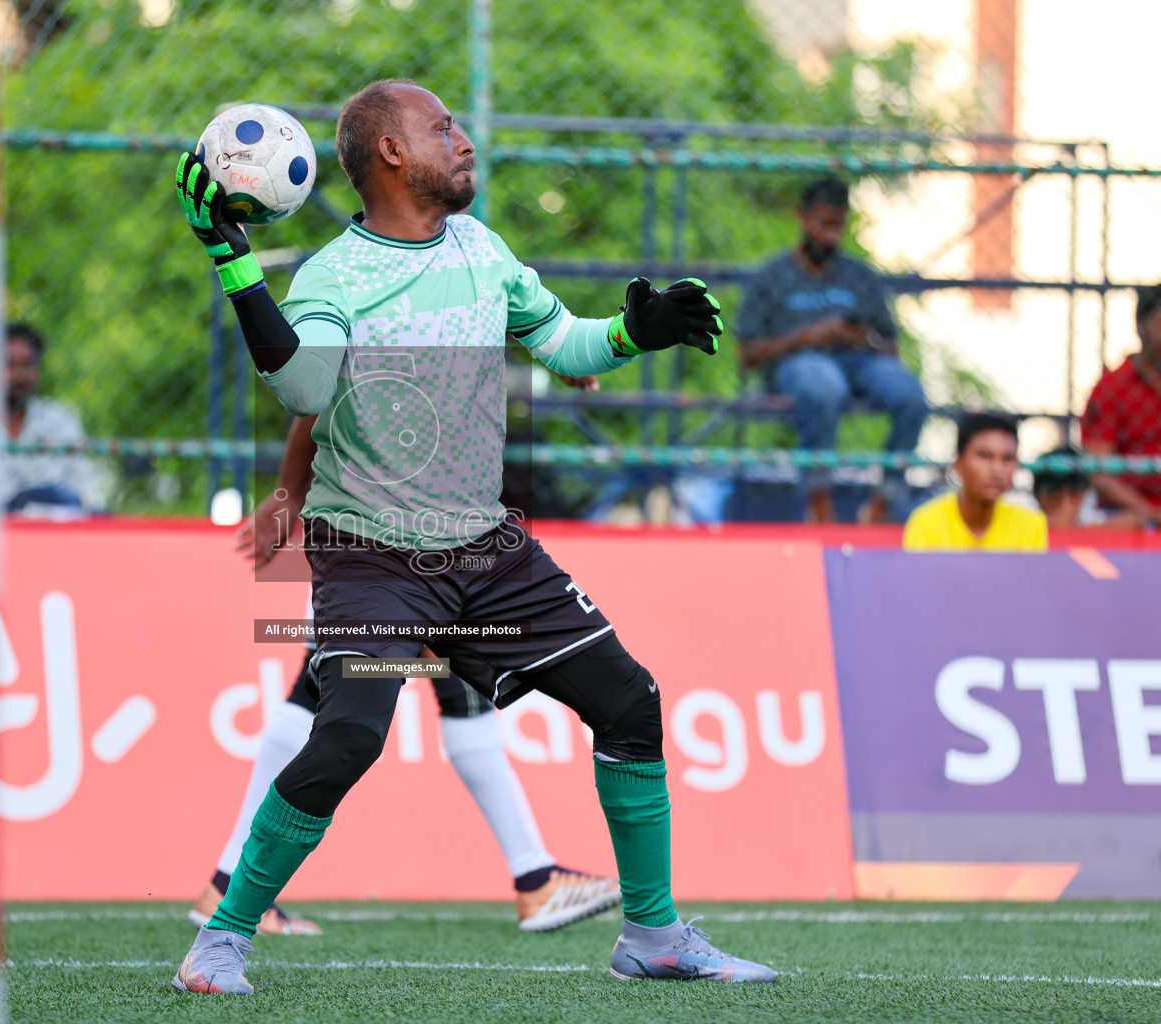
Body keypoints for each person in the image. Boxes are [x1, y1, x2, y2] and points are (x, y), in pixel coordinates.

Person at [170, 78, 774, 993]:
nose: (465, 140)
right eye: (443, 127)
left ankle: (652, 938)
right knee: (347, 738)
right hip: (375, 559)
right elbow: (301, 392)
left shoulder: (483, 249)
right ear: (392, 154)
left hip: (487, 554)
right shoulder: (334, 276)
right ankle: (222, 939)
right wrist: (233, 261)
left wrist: (634, 331)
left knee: (631, 703)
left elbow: (569, 346)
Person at [193, 415, 622, 936]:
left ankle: (535, 878)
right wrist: (286, 497)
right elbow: (314, 397)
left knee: (331, 691)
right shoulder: (392, 349)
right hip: (382, 551)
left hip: (392, 542)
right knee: (351, 697)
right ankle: (535, 879)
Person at [738, 177, 929, 524]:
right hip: (798, 363)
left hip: (859, 361)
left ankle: (882, 503)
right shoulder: (771, 276)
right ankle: (819, 502)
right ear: (802, 217)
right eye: (824, 224)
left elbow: (890, 346)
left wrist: (858, 337)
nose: (831, 235)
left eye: (839, 226)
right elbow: (746, 354)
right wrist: (808, 336)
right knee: (823, 385)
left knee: (910, 396)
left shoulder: (859, 276)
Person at [0, 321, 104, 513]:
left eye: (28, 365)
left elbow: (86, 492)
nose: (19, 374)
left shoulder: (59, 421)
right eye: (9, 364)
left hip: (51, 532)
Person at [903, 412, 1046, 552]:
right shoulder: (926, 523)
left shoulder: (1030, 525)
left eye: (1007, 458)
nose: (997, 470)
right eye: (984, 456)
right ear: (958, 464)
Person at [1079, 283, 1161, 526]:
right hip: (1132, 515)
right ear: (1140, 326)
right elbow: (1100, 475)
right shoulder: (1113, 389)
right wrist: (1153, 514)